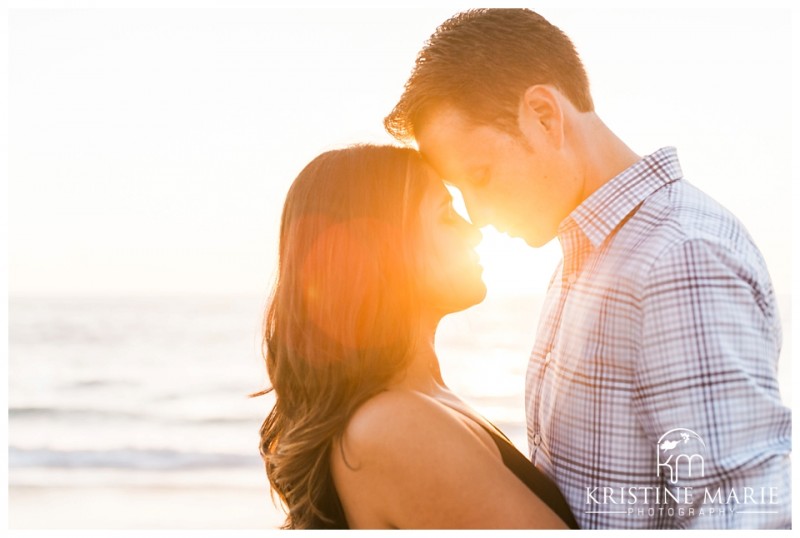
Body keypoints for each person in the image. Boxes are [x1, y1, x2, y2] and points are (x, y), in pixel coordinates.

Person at [384, 8, 790, 530]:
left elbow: (743, 513)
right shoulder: (591, 255)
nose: (479, 215)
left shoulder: (679, 258)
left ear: (544, 115)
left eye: (479, 176)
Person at [253, 144, 578, 529]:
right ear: (386, 248)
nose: (473, 230)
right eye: (445, 215)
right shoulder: (394, 426)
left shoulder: (416, 405)